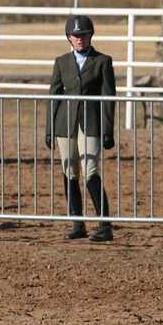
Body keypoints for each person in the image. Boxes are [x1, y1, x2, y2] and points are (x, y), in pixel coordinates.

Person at [46, 15, 117, 241]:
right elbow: (53, 97)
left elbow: (108, 98)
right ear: (68, 37)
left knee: (90, 172)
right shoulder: (61, 62)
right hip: (65, 124)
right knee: (70, 171)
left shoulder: (103, 61)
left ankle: (105, 226)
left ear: (90, 36)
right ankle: (78, 224)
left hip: (92, 122)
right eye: (75, 35)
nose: (79, 39)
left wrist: (108, 130)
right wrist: (49, 129)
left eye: (83, 34)